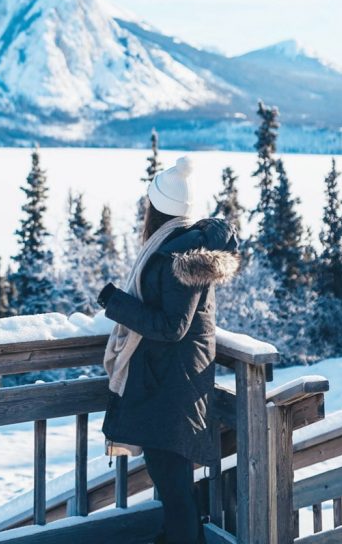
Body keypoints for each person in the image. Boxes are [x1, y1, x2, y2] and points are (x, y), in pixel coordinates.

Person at [98, 156, 240, 544]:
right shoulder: (182, 244)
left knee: (174, 488)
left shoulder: (182, 255)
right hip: (172, 381)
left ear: (156, 207)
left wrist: (115, 301)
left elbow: (172, 326)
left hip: (173, 386)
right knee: (174, 485)